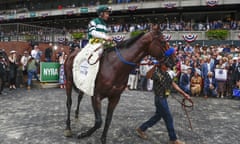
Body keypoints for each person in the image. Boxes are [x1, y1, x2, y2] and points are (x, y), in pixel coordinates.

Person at [135, 51, 191, 144]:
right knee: (168, 117)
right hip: (159, 99)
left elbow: (173, 84)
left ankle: (141, 129)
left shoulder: (166, 74)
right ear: (162, 65)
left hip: (163, 98)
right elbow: (148, 76)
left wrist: (184, 94)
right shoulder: (156, 73)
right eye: (166, 65)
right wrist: (154, 66)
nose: (167, 67)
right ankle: (173, 139)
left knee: (157, 117)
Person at [72, 5, 113, 96]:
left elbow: (105, 37)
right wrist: (105, 37)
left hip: (103, 45)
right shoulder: (93, 22)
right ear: (101, 13)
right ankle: (88, 87)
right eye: (106, 13)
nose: (108, 15)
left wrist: (109, 40)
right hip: (93, 45)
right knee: (91, 61)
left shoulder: (105, 25)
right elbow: (92, 32)